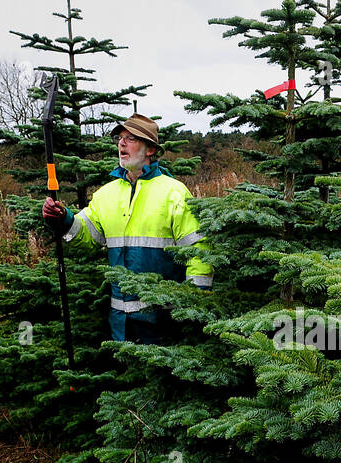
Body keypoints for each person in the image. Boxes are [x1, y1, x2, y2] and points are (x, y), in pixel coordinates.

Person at [41, 113, 212, 343]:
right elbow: (86, 235)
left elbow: (199, 251)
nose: (121, 143)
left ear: (150, 149)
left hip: (165, 324)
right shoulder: (106, 194)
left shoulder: (174, 193)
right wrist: (63, 219)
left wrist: (194, 309)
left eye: (131, 138)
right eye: (120, 138)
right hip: (120, 325)